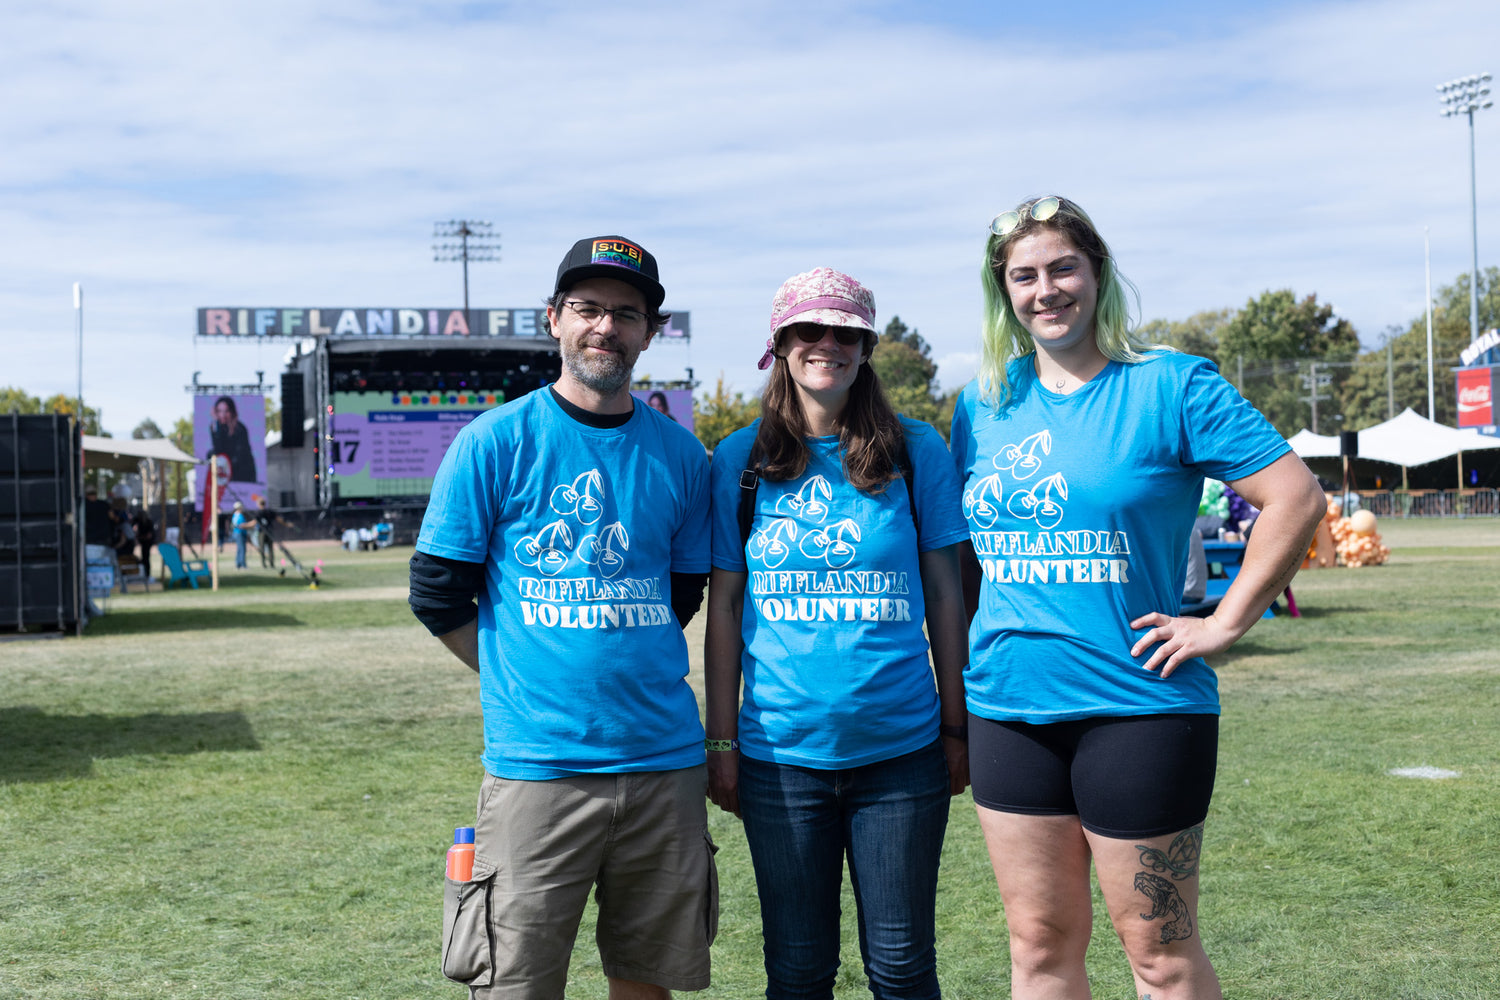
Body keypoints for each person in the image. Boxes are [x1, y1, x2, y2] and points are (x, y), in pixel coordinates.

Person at [949, 196, 1325, 1000]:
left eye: (1062, 269)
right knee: (1038, 947)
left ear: (1097, 274)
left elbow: (1295, 498)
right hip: (1008, 708)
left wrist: (1224, 621)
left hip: (1139, 707)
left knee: (1159, 955)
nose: (1045, 290)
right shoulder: (982, 402)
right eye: (1024, 276)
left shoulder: (1172, 384)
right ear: (1003, 292)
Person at [408, 235, 716, 999]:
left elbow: (682, 595)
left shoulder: (682, 457)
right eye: (586, 309)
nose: (604, 328)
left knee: (647, 982)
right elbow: (436, 592)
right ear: (554, 318)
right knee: (514, 984)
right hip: (538, 771)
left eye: (626, 314)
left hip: (663, 766)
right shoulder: (494, 442)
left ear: (650, 331)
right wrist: (523, 667)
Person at [704, 267, 971, 1000]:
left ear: (867, 346)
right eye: (811, 331)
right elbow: (725, 607)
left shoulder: (917, 451)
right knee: (796, 970)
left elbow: (947, 596)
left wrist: (957, 726)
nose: (829, 344)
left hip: (903, 756)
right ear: (781, 345)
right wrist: (721, 742)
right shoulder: (738, 460)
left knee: (903, 967)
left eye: (847, 332)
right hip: (778, 759)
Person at [208, 396, 257, 482]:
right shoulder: (216, 427)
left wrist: (226, 468)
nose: (223, 415)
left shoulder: (240, 429)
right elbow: (218, 449)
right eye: (219, 411)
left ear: (232, 412)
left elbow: (240, 455)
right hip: (226, 470)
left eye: (226, 411)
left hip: (241, 472)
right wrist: (215, 424)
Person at [230, 501, 250, 570]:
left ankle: (238, 564)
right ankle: (242, 564)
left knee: (239, 549)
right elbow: (242, 525)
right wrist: (251, 525)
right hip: (240, 533)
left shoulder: (234, 515)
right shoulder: (239, 515)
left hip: (237, 533)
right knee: (242, 549)